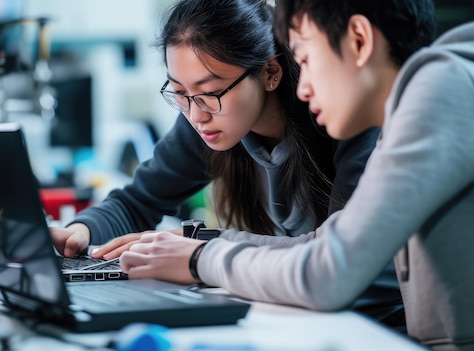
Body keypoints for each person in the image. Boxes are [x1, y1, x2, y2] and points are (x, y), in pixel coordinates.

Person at [119, 0, 474, 349]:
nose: (302, 88)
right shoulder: (420, 103)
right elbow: (334, 251)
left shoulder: (439, 94)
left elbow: (328, 272)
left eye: (305, 58)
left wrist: (201, 258)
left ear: (359, 41)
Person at [50, 0, 403, 328]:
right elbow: (138, 200)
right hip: (309, 311)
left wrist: (200, 248)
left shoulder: (347, 115)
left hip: (377, 323)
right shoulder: (204, 120)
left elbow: (337, 258)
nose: (196, 115)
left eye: (210, 92)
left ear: (270, 73)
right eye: (180, 93)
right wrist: (81, 233)